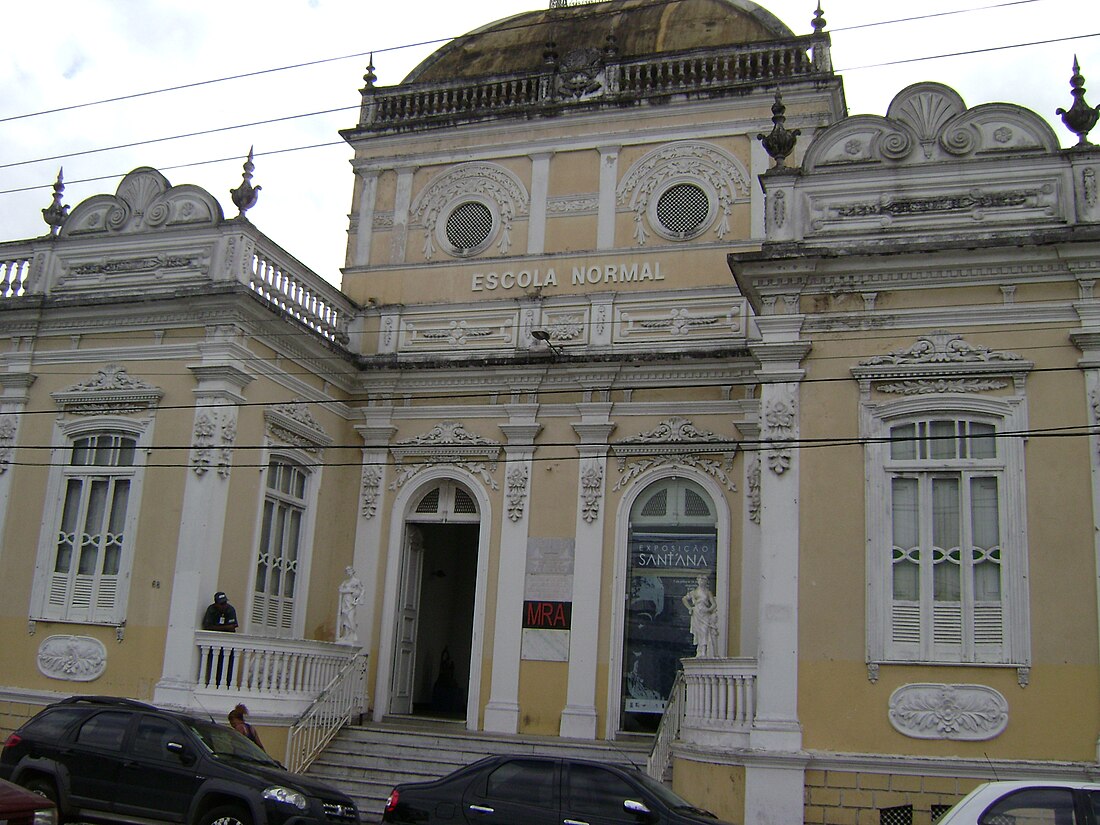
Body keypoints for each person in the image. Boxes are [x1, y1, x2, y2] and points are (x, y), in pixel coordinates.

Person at [681, 574, 719, 658]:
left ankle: (704, 651)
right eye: (700, 579)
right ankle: (699, 651)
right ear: (697, 581)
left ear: (706, 581)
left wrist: (708, 610)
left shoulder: (708, 593)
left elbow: (714, 604)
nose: (701, 581)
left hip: (704, 614)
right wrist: (690, 608)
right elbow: (684, 599)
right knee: (698, 633)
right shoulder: (694, 592)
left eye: (703, 579)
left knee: (704, 631)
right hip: (697, 613)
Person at [336, 567, 364, 644]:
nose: (348, 572)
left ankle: (352, 634)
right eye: (347, 571)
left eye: (349, 571)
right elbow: (340, 589)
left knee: (350, 617)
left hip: (351, 602)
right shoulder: (345, 581)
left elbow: (362, 590)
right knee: (344, 617)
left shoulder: (357, 581)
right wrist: (344, 590)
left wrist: (357, 600)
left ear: (352, 571)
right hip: (345, 600)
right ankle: (346, 635)